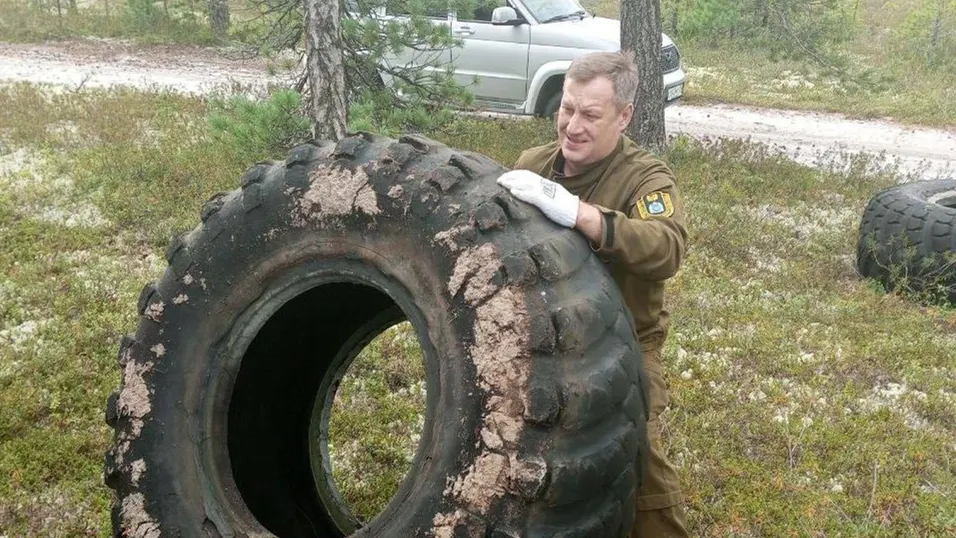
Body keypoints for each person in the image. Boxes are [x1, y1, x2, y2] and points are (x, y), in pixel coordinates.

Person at [496, 50, 690, 537]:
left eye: (590, 115)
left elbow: (666, 247)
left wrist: (585, 216)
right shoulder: (534, 165)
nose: (572, 126)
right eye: (566, 109)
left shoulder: (645, 178)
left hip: (623, 344)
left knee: (636, 458)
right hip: (540, 338)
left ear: (623, 117)